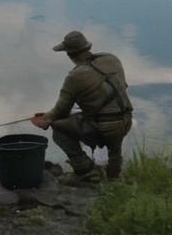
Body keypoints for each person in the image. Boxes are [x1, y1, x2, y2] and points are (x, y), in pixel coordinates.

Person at [30, 30, 133, 182]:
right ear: (87, 47)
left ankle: (86, 171)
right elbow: (122, 87)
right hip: (126, 120)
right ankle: (114, 176)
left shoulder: (75, 76)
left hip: (103, 127)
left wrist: (45, 119)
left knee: (58, 129)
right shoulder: (112, 59)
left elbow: (61, 110)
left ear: (69, 54)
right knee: (114, 148)